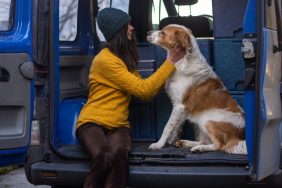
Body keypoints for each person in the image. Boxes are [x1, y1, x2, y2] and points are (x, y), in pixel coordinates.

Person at [76, 7, 185, 188]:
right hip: (91, 122)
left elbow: (147, 93)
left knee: (120, 158)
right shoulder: (105, 61)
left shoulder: (125, 59)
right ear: (118, 31)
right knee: (104, 156)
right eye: (127, 25)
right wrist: (170, 62)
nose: (132, 28)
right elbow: (143, 89)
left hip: (119, 125)